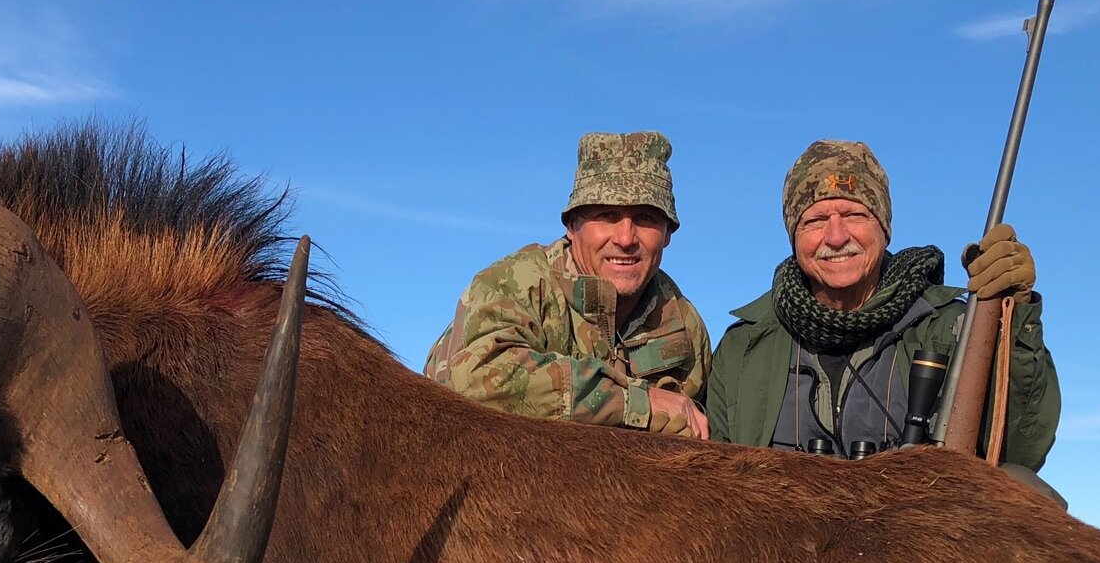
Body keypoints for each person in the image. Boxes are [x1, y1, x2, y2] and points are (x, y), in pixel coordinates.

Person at [705, 139, 1059, 485]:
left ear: (884, 229)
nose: (836, 236)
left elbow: (1021, 451)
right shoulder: (744, 347)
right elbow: (719, 485)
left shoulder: (949, 327)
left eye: (855, 214)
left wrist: (1014, 319)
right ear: (794, 236)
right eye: (814, 221)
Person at [425, 131, 711, 437]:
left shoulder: (683, 324)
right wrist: (640, 403)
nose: (626, 238)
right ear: (572, 225)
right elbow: (478, 379)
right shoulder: (516, 284)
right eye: (606, 215)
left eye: (645, 218)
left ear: (667, 233)